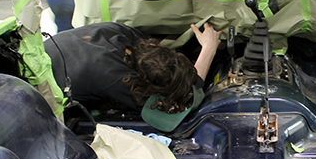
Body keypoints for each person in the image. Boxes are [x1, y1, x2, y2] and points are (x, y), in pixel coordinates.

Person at [44, 22, 221, 131]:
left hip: (54, 51)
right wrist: (209, 49)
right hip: (41, 90)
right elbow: (174, 112)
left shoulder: (120, 32)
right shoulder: (116, 79)